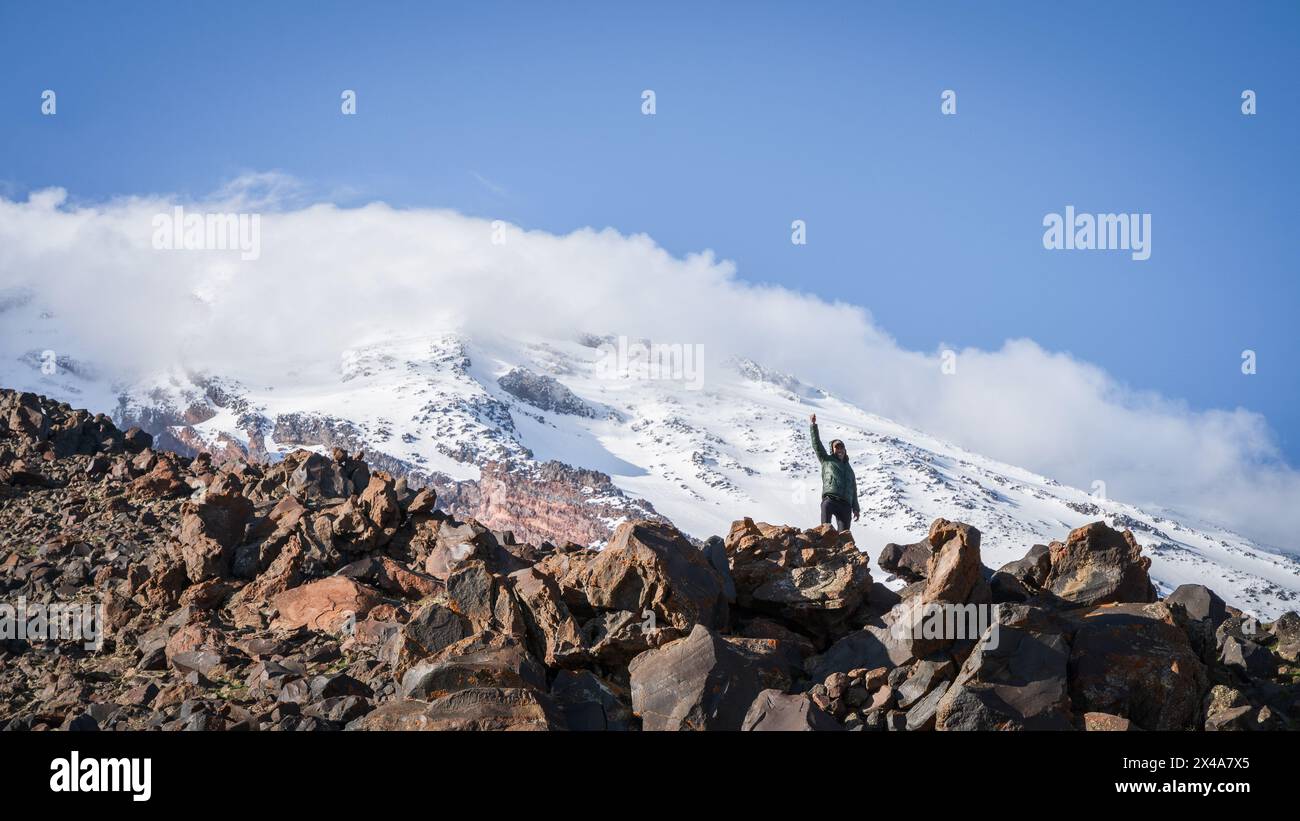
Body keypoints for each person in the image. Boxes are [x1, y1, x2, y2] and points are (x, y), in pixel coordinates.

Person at [809, 413, 859, 531]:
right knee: (826, 528)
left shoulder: (850, 470)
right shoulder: (827, 460)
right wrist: (813, 425)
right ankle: (824, 544)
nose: (839, 449)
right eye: (837, 447)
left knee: (844, 536)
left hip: (846, 505)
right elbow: (817, 445)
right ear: (833, 449)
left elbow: (854, 490)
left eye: (841, 447)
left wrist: (856, 508)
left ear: (845, 449)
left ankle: (842, 549)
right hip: (830, 500)